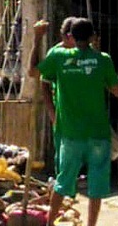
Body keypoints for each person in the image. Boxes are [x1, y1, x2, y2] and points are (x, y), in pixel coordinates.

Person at [29, 17, 118, 226]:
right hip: (98, 133)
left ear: (70, 36)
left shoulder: (59, 57)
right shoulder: (103, 59)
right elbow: (117, 91)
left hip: (70, 134)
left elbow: (33, 72)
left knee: (63, 181)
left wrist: (36, 39)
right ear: (92, 37)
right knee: (96, 185)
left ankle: (50, 222)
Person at [33, 16, 77, 175]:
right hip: (63, 111)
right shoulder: (56, 53)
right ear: (67, 36)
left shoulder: (84, 52)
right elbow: (43, 82)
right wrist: (52, 112)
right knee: (64, 152)